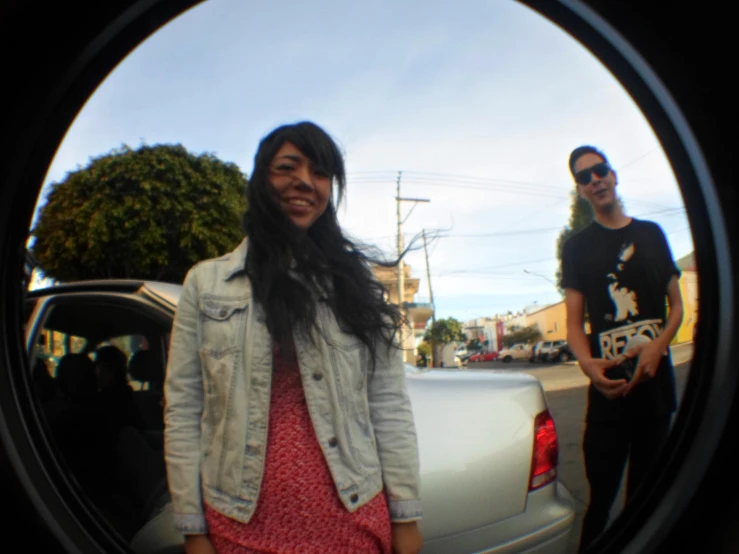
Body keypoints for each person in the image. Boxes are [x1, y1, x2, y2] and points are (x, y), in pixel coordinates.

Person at [164, 121, 423, 554]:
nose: (305, 181)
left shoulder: (354, 286)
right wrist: (193, 528)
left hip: (353, 519)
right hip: (238, 524)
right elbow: (184, 408)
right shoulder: (206, 283)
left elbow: (388, 403)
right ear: (262, 178)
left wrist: (406, 515)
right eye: (288, 167)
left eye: (321, 173)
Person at [560, 145, 684, 552]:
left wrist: (658, 346)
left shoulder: (651, 234)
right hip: (608, 398)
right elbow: (575, 325)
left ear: (614, 176)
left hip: (657, 398)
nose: (595, 180)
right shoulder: (577, 248)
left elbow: (677, 307)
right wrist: (586, 364)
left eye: (600, 171)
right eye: (584, 177)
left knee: (645, 503)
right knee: (598, 509)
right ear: (580, 190)